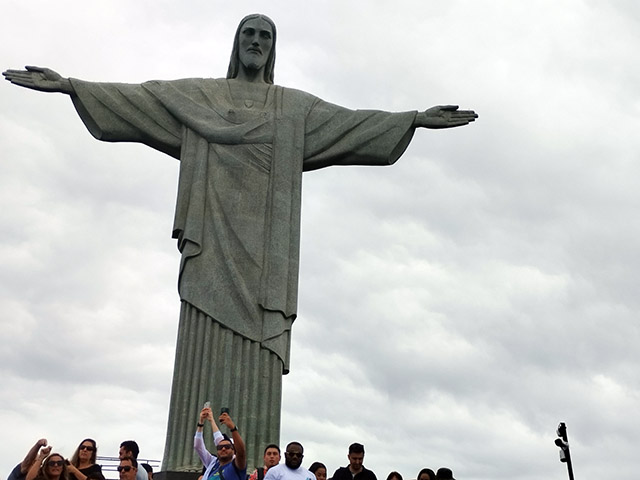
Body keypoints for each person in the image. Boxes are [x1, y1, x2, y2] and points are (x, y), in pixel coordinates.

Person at [3, 13, 477, 472]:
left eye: (265, 37)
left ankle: (243, 456)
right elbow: (140, 101)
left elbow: (351, 124)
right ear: (236, 43)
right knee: (199, 332)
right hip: (210, 238)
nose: (256, 42)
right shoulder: (200, 97)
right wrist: (70, 85)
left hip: (265, 253)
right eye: (248, 34)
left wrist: (412, 119)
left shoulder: (295, 108)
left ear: (273, 50)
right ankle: (189, 458)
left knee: (259, 343)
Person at [194, 405, 247, 480]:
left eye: (228, 447)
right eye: (220, 448)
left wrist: (232, 428)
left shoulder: (236, 465)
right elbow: (197, 446)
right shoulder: (212, 463)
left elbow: (241, 452)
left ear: (234, 450)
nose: (223, 449)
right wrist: (201, 422)